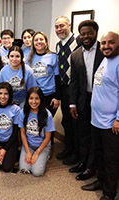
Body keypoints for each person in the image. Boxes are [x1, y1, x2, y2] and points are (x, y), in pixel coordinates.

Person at [81, 31, 119, 200]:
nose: (106, 46)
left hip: (111, 122)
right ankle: (100, 181)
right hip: (97, 119)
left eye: (110, 43)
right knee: (99, 154)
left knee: (111, 159)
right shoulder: (106, 60)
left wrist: (118, 118)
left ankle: (109, 193)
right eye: (103, 43)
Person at [69, 20, 104, 181]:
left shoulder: (105, 52)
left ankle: (93, 166)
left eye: (89, 32)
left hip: (101, 101)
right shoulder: (75, 55)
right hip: (84, 100)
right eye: (83, 34)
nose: (86, 36)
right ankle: (84, 163)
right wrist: (73, 104)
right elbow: (74, 81)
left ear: (95, 33)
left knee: (96, 135)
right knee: (83, 134)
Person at [54, 16, 80, 164]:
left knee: (76, 122)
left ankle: (77, 154)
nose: (59, 29)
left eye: (62, 26)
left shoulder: (78, 41)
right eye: (57, 27)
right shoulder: (58, 45)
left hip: (75, 88)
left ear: (69, 25)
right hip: (64, 88)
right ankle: (69, 149)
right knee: (66, 121)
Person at [19, 87, 55, 177]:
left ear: (41, 99)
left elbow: (48, 137)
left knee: (37, 172)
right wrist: (27, 151)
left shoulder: (47, 114)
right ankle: (32, 157)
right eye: (31, 98)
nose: (34, 102)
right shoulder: (23, 112)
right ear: (27, 99)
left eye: (37, 98)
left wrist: (37, 153)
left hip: (42, 146)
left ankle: (44, 156)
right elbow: (22, 133)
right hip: (29, 144)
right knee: (24, 169)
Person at [0, 82, 20, 172]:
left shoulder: (16, 109)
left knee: (6, 168)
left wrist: (5, 149)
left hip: (10, 142)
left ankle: (16, 153)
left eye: (6, 94)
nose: (3, 96)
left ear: (10, 95)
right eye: (0, 93)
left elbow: (15, 132)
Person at [28, 32, 60, 116]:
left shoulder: (53, 57)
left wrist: (57, 97)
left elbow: (58, 78)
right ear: (33, 43)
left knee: (47, 122)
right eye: (36, 40)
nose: (39, 42)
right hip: (34, 95)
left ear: (46, 42)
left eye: (41, 39)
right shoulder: (29, 58)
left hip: (49, 96)